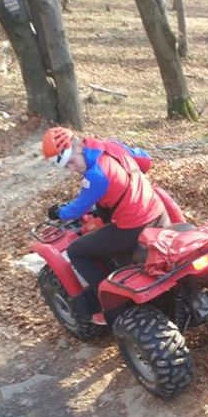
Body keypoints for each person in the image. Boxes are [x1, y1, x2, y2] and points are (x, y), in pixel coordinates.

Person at [41, 127, 170, 317]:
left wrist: (58, 212)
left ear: (78, 146)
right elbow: (145, 160)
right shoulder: (112, 147)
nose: (73, 169)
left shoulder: (95, 177)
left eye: (71, 162)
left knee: (76, 251)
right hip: (158, 213)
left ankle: (113, 305)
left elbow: (76, 209)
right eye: (67, 167)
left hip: (134, 227)